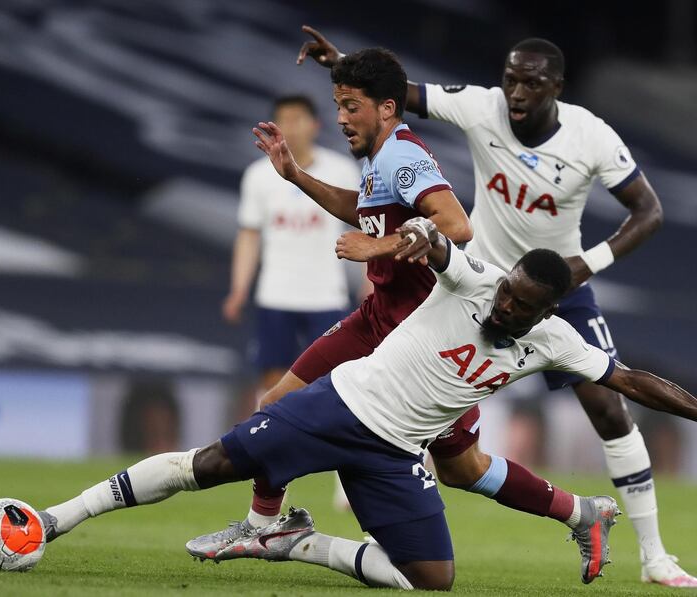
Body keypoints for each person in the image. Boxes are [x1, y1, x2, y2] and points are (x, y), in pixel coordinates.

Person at [37, 223, 697, 591]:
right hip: (340, 405)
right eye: (506, 293)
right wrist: (407, 239)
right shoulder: (477, 282)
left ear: (545, 311)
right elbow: (438, 246)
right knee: (204, 464)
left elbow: (633, 380)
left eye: (520, 305)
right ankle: (54, 519)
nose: (503, 305)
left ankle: (296, 541)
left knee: (431, 580)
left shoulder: (557, 341)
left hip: (394, 452)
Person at [296, 27, 696, 588]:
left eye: (531, 83)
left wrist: (587, 263)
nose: (516, 92)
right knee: (425, 408)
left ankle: (655, 556)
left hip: (560, 286)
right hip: (481, 283)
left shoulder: (592, 136)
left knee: (608, 408)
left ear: (556, 87)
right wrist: (339, 64)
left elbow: (648, 211)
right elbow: (398, 94)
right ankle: (384, 515)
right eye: (511, 79)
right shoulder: (481, 106)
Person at [200, 48, 473, 536]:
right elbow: (361, 208)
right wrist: (296, 177)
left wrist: (379, 246)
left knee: (464, 468)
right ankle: (260, 527)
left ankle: (574, 511)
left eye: (351, 106)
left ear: (387, 108)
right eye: (338, 106)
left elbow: (455, 225)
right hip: (375, 316)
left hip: (419, 330)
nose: (341, 118)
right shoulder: (377, 156)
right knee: (274, 405)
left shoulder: (403, 154)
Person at [224, 95, 362, 395]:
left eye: (299, 119)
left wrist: (371, 283)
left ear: (315, 125)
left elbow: (366, 228)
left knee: (330, 379)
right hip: (276, 294)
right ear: (274, 127)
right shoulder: (258, 176)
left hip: (326, 295)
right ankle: (272, 438)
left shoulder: (341, 170)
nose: (292, 127)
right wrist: (238, 289)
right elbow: (249, 236)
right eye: (284, 120)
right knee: (272, 378)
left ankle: (321, 440)